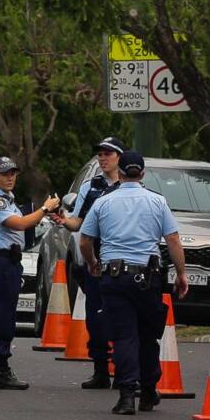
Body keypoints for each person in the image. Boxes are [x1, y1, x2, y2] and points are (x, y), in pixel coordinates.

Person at [78, 150, 189, 414]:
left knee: (124, 335)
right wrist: (181, 273)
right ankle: (148, 391)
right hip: (146, 277)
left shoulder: (104, 202)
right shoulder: (157, 201)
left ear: (122, 173)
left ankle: (127, 394)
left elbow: (85, 240)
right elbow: (172, 240)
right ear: (142, 173)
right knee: (148, 336)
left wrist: (92, 262)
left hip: (113, 277)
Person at [0, 156, 60, 390]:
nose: (10, 177)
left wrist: (44, 213)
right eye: (5, 173)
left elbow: (26, 220)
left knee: (6, 315)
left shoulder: (8, 199)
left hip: (9, 261)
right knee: (3, 316)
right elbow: (20, 224)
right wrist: (46, 208)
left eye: (13, 173)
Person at [55, 136, 124, 389]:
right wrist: (64, 221)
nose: (103, 158)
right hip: (95, 260)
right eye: (100, 154)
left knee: (121, 316)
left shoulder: (129, 186)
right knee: (96, 318)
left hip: (121, 259)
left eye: (109, 154)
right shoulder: (91, 186)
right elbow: (79, 221)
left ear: (120, 157)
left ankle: (123, 370)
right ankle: (100, 370)